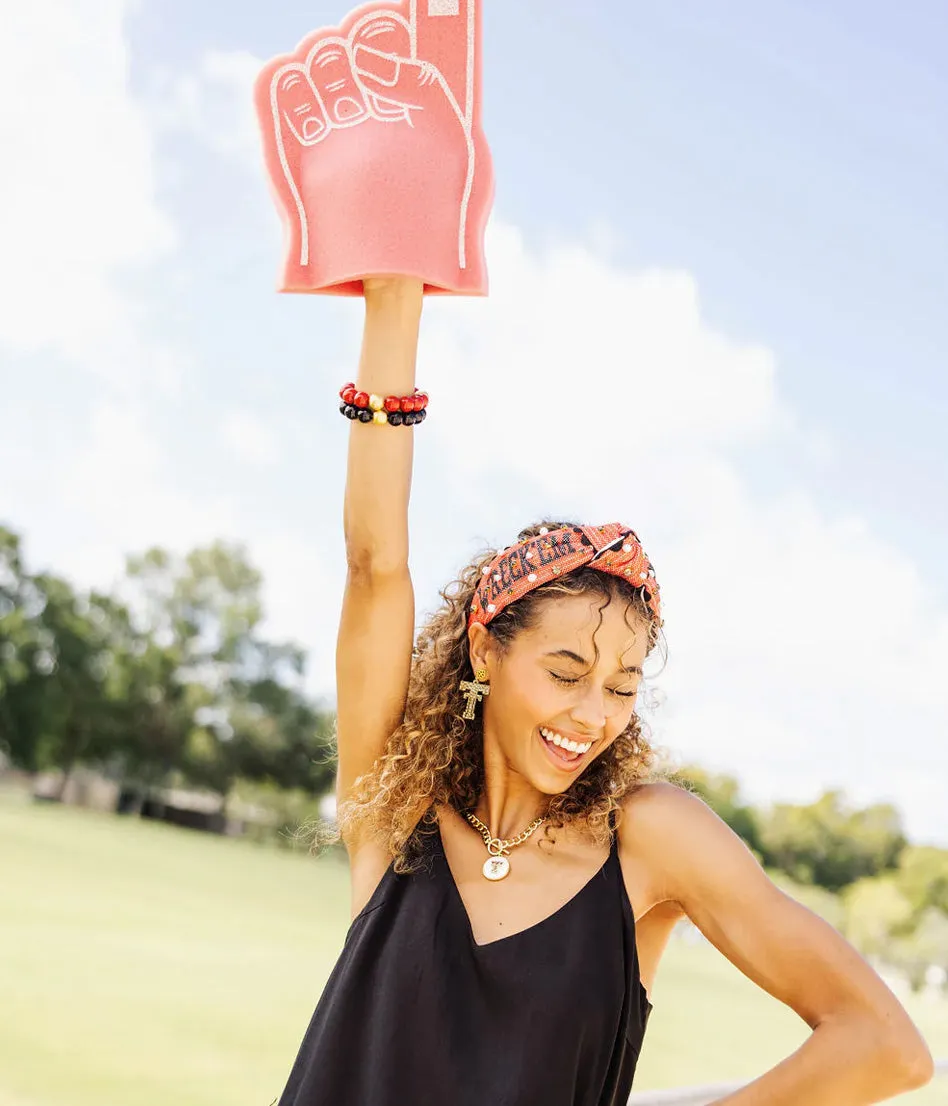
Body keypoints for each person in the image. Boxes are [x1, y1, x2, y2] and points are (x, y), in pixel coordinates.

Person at [276, 276, 934, 1106]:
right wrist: (396, 297)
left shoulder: (649, 839)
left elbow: (884, 1046)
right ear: (485, 650)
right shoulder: (397, 809)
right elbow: (375, 567)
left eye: (622, 687)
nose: (593, 715)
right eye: (564, 673)